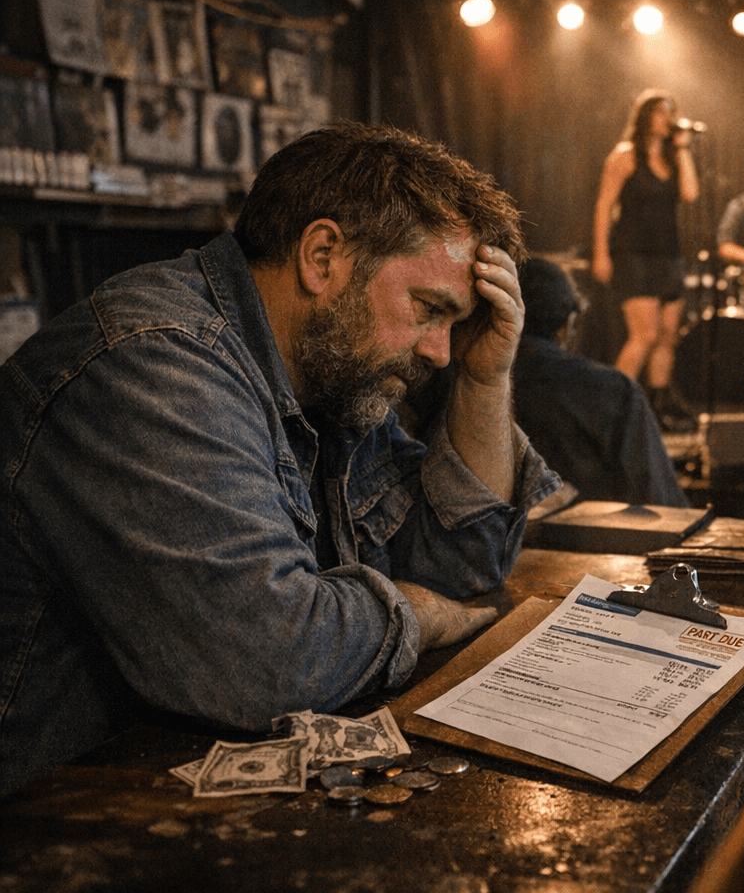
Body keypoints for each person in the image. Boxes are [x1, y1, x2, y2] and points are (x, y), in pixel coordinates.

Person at [0, 121, 560, 795]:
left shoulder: (331, 374)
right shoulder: (152, 361)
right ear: (323, 256)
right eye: (429, 309)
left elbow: (464, 569)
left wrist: (484, 380)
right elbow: (267, 662)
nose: (439, 351)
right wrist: (418, 613)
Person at [511, 257, 688, 507]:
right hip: (589, 542)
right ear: (569, 324)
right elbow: (662, 505)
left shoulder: (455, 387)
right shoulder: (615, 392)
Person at [590, 89, 700, 416]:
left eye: (671, 112)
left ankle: (655, 412)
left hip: (669, 253)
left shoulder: (671, 158)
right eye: (661, 112)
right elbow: (604, 204)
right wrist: (600, 252)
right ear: (646, 117)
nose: (668, 119)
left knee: (667, 336)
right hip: (632, 253)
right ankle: (615, 409)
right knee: (645, 335)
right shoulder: (625, 155)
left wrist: (681, 148)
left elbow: (690, 193)